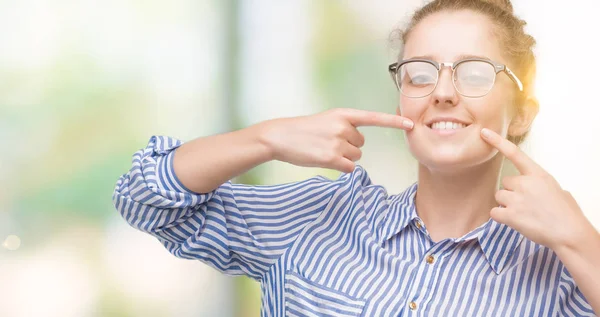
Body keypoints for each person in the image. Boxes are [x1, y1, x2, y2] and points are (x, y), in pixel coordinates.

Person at [112, 0, 599, 315]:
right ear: (401, 99)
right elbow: (143, 198)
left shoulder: (562, 271)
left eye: (474, 74)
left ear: (521, 116)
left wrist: (578, 236)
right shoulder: (321, 217)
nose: (443, 93)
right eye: (420, 74)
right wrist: (266, 138)